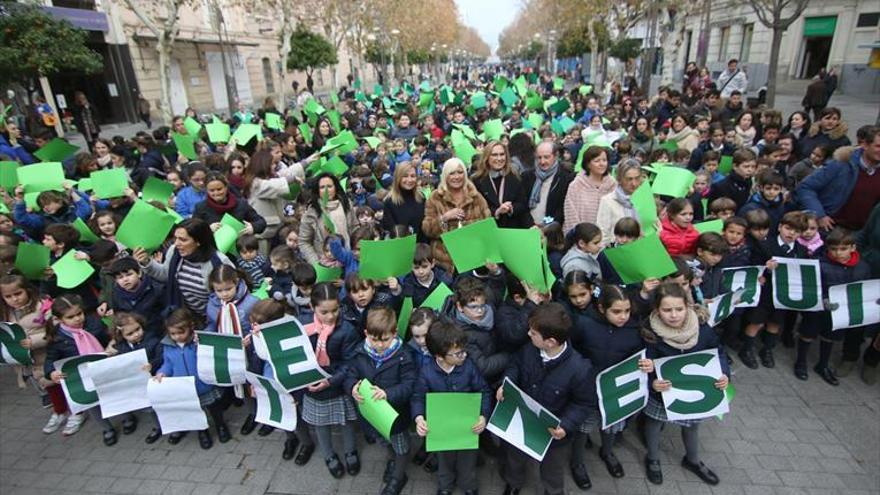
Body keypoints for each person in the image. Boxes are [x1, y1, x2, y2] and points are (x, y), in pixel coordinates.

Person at [497, 302, 594, 495]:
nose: (528, 335)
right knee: (515, 456)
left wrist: (565, 426)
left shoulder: (580, 369)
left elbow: (583, 403)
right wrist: (506, 382)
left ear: (550, 342)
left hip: (553, 433)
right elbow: (514, 365)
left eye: (533, 333)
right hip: (522, 421)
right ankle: (514, 483)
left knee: (552, 467)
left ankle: (553, 490)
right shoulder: (529, 349)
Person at [642, 282, 728, 486]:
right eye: (667, 310)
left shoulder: (703, 329)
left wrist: (724, 374)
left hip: (693, 393)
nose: (674, 315)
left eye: (679, 309)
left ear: (688, 306)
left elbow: (719, 353)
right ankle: (652, 458)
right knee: (654, 423)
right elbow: (644, 363)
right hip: (661, 393)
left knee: (692, 426)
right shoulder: (649, 334)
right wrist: (652, 382)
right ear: (657, 310)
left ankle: (693, 460)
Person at [411, 319, 491, 495]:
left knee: (467, 459)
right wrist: (419, 418)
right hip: (442, 430)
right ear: (439, 356)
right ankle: (445, 486)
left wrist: (483, 416)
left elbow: (484, 391)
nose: (463, 356)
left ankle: (468, 485)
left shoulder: (468, 367)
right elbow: (418, 397)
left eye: (463, 351)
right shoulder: (427, 372)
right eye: (457, 354)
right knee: (444, 459)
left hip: (467, 427)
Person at [344, 307, 417, 495]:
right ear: (366, 333)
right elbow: (350, 374)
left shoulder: (404, 356)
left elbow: (410, 385)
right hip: (373, 414)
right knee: (384, 441)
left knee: (400, 445)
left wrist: (388, 393)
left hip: (396, 415)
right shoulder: (360, 351)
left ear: (394, 333)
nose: (379, 345)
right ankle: (392, 461)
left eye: (385, 339)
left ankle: (398, 477)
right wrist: (352, 387)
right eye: (374, 339)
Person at [154, 307, 228, 448]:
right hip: (186, 389)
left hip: (204, 384)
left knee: (214, 408)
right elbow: (168, 363)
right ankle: (202, 431)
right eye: (173, 334)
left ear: (191, 327)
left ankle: (221, 426)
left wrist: (201, 342)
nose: (176, 337)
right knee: (196, 412)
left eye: (181, 332)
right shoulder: (168, 346)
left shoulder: (198, 342)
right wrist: (162, 372)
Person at [133, 218, 234, 317]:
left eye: (183, 240)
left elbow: (234, 291)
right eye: (175, 238)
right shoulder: (174, 251)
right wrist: (146, 261)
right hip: (187, 315)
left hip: (217, 316)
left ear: (198, 242)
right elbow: (165, 274)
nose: (176, 243)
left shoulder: (219, 261)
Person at [796, 126, 880, 232]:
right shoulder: (840, 164)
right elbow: (806, 187)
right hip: (831, 228)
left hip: (861, 233)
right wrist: (819, 215)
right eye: (878, 146)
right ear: (864, 145)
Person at [421, 158, 491, 273]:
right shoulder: (435, 197)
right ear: (445, 176)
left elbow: (487, 224)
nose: (456, 177)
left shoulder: (476, 196)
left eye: (460, 172)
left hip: (472, 258)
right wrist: (445, 218)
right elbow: (427, 229)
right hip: (444, 262)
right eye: (452, 173)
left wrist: (466, 226)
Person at [299, 172, 358, 265]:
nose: (326, 190)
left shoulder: (346, 204)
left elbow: (355, 229)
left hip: (348, 259)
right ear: (317, 190)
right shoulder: (311, 212)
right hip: (325, 263)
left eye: (329, 186)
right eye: (322, 187)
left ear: (335, 187)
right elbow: (303, 241)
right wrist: (316, 263)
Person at [471, 140, 530, 228]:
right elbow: (476, 210)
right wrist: (497, 211)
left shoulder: (514, 177)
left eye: (502, 154)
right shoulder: (477, 180)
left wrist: (511, 208)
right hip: (490, 231)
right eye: (494, 155)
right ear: (487, 157)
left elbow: (523, 205)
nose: (499, 158)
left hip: (512, 231)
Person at [562, 146, 616, 233]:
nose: (601, 164)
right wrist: (580, 235)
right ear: (588, 164)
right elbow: (570, 213)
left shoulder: (612, 184)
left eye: (604, 160)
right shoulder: (576, 185)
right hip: (581, 237)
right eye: (597, 161)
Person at [521, 141, 574, 226]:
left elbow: (561, 209)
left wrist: (547, 225)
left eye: (546, 157)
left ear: (555, 156)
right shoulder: (527, 176)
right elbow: (522, 204)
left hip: (551, 229)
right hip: (530, 228)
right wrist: (531, 224)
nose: (542, 161)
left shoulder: (565, 178)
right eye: (539, 157)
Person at [596, 159, 642, 244]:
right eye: (629, 179)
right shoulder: (607, 201)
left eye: (637, 178)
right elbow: (603, 234)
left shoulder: (645, 199)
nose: (634, 183)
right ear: (619, 179)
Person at [381, 162, 426, 240]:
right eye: (405, 176)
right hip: (403, 247)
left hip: (422, 247)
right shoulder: (389, 201)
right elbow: (391, 230)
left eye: (413, 176)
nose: (410, 180)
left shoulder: (421, 197)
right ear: (398, 178)